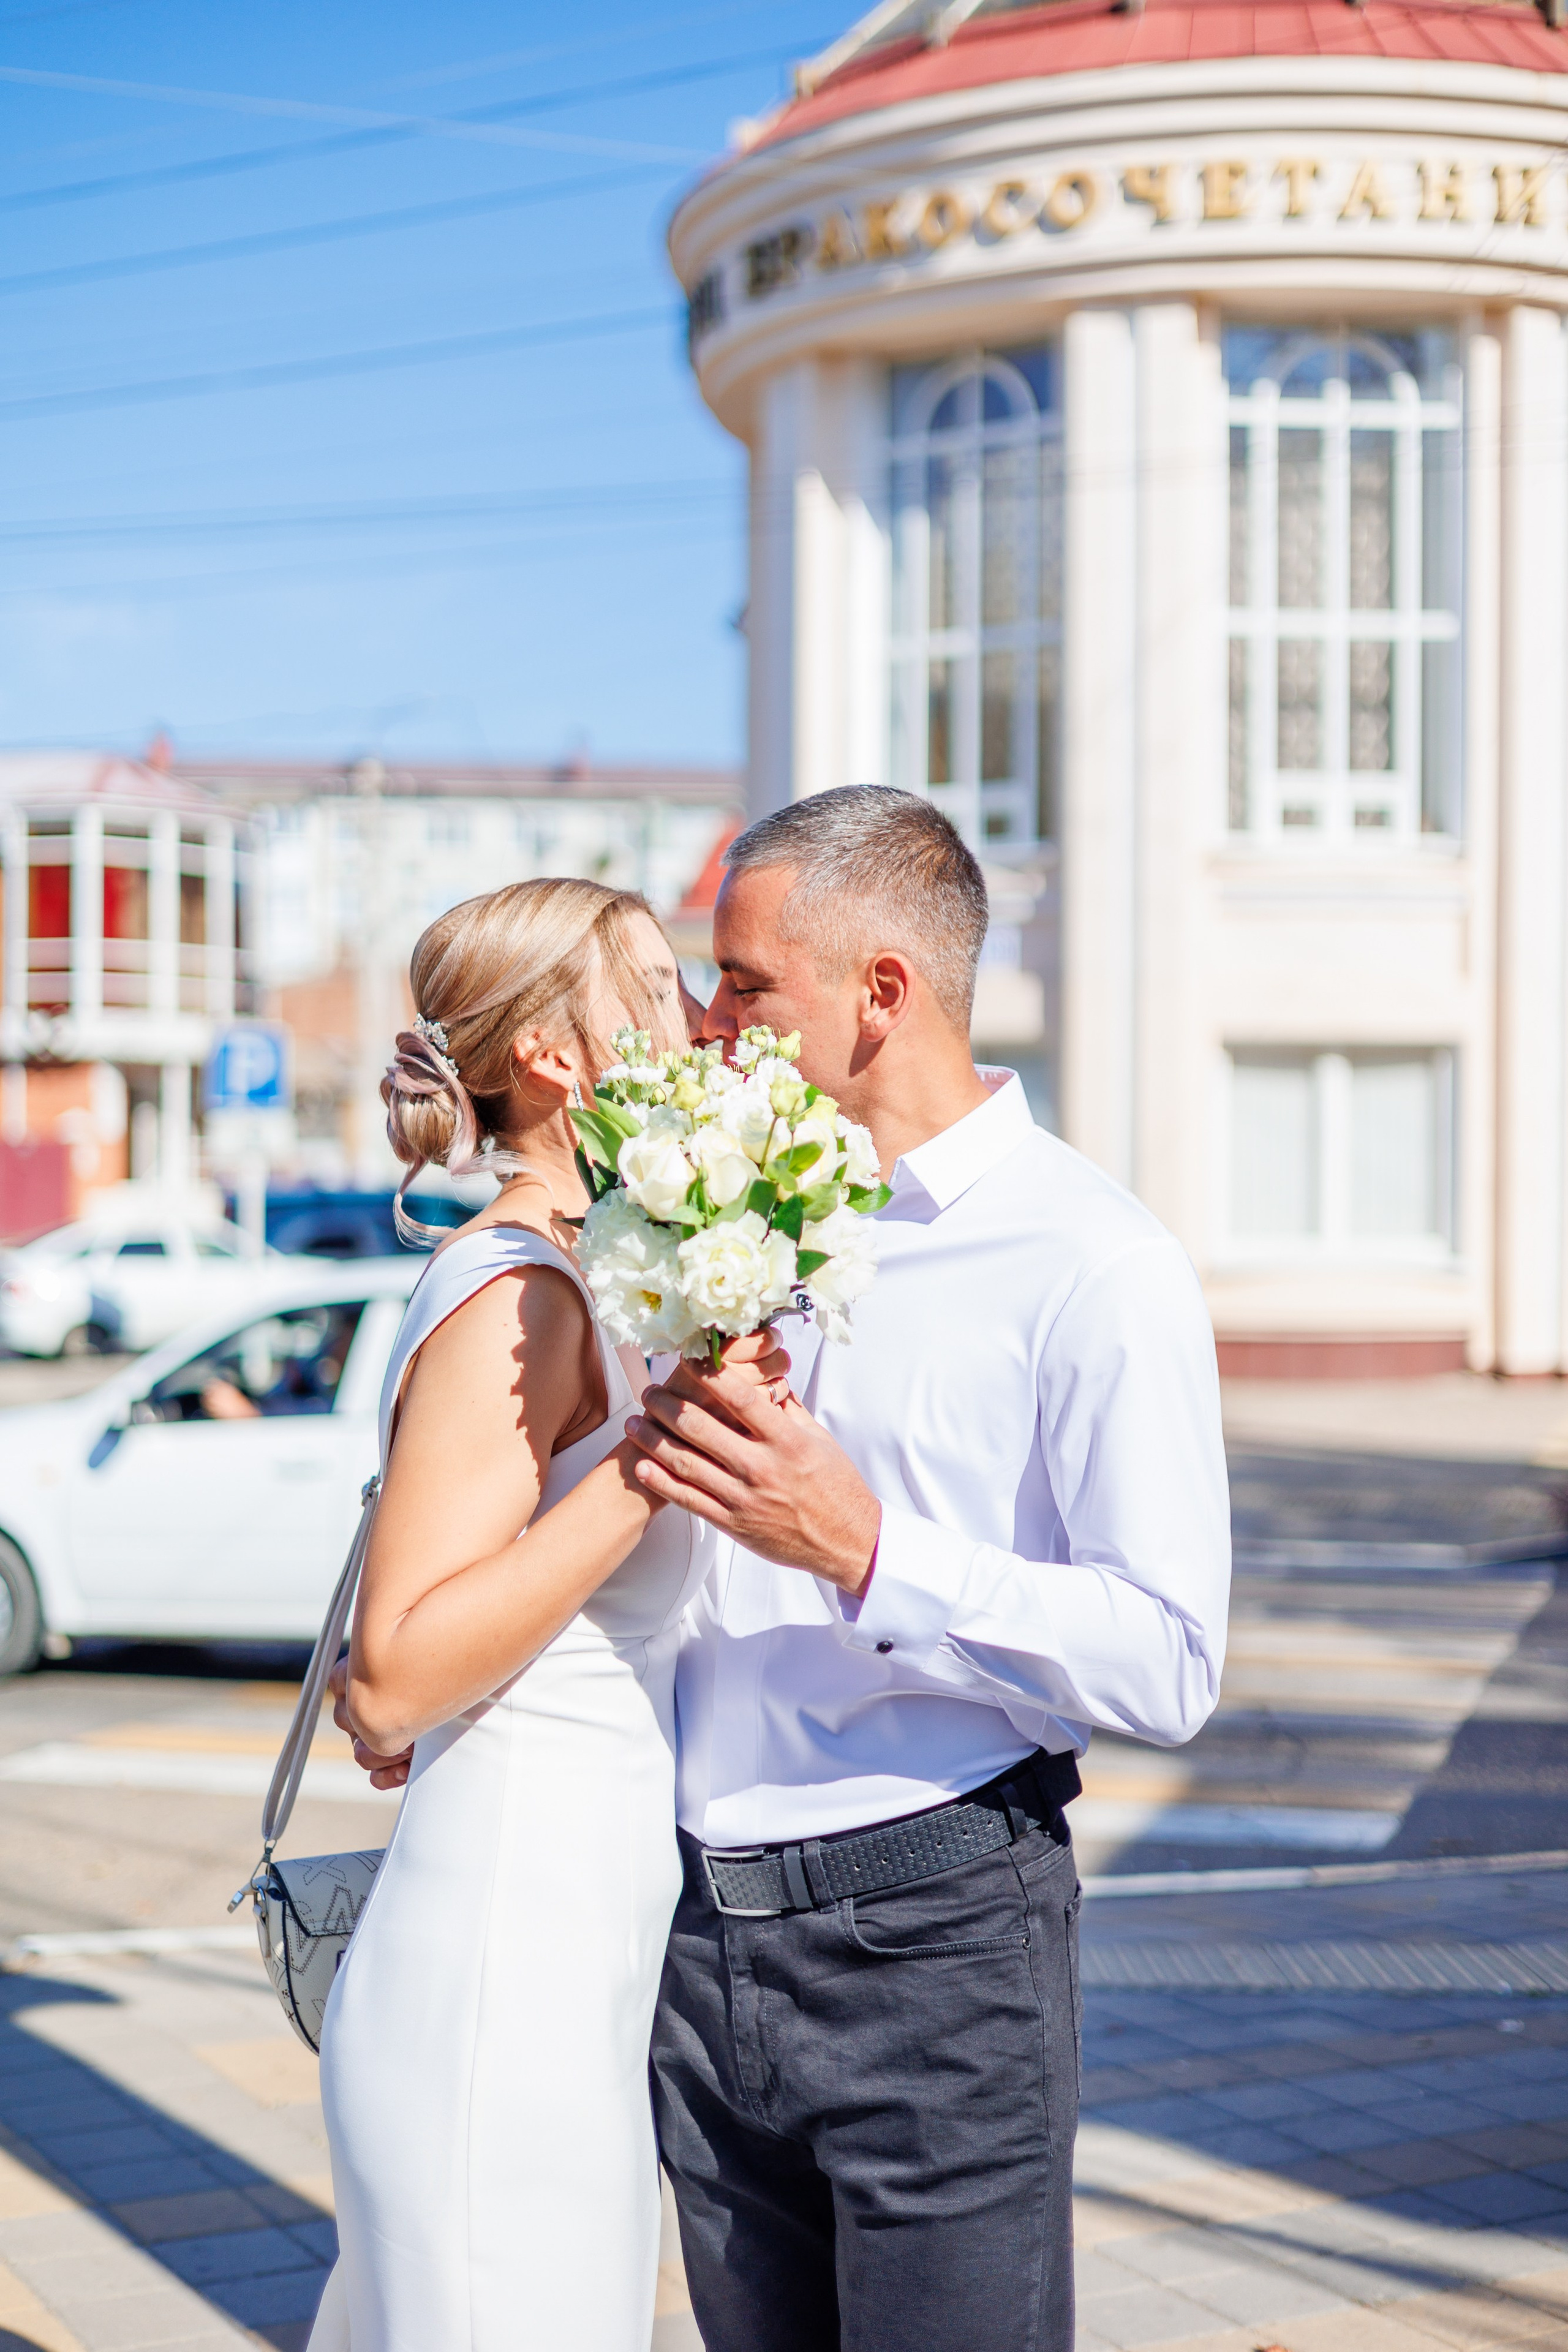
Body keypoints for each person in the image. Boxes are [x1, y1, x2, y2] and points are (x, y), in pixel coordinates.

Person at [622, 786, 1232, 2352]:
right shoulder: (721, 1204)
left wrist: (873, 1553)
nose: (708, 1016)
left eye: (744, 982)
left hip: (936, 1949)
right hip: (690, 1944)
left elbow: (1167, 1658)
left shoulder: (1093, 1263)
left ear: (879, 992)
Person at [306, 877, 784, 2352]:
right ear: (559, 1060)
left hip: (570, 1966)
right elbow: (389, 1681)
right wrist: (660, 1457)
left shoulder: (596, 1278)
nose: (695, 1017)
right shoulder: (517, 1292)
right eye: (651, 990)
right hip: (497, 1981)